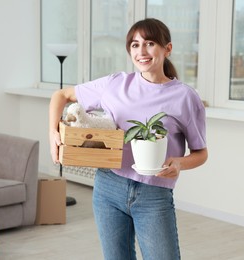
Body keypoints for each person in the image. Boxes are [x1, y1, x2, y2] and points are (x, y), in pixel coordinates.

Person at [49, 18, 208, 260]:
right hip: (108, 186)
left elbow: (200, 153)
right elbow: (61, 95)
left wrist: (178, 163)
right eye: (134, 45)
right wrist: (54, 135)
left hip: (153, 194)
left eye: (150, 43)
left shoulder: (185, 97)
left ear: (168, 49)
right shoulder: (115, 84)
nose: (141, 51)